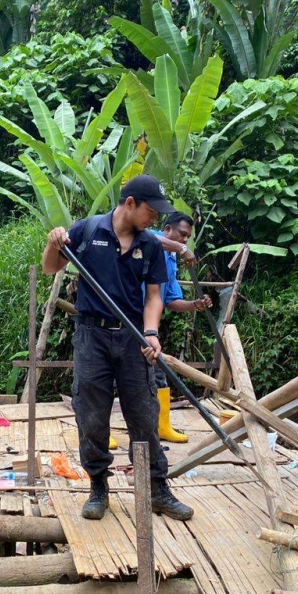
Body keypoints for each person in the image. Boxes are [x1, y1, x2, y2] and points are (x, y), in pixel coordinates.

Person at [42, 175, 193, 522]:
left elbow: (154, 296)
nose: (155, 219)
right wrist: (54, 242)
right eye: (151, 212)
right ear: (130, 204)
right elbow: (51, 266)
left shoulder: (151, 245)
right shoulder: (88, 230)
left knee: (144, 414)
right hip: (91, 336)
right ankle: (98, 488)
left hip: (133, 338)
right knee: (92, 415)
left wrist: (152, 333)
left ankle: (157, 489)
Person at [149, 212, 213, 444]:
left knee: (156, 374)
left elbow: (171, 300)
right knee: (115, 375)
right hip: (124, 317)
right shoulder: (151, 239)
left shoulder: (171, 259)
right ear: (167, 230)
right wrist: (180, 248)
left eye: (188, 237)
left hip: (149, 324)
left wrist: (194, 305)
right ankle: (99, 432)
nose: (185, 240)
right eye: (182, 235)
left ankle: (162, 426)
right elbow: (145, 237)